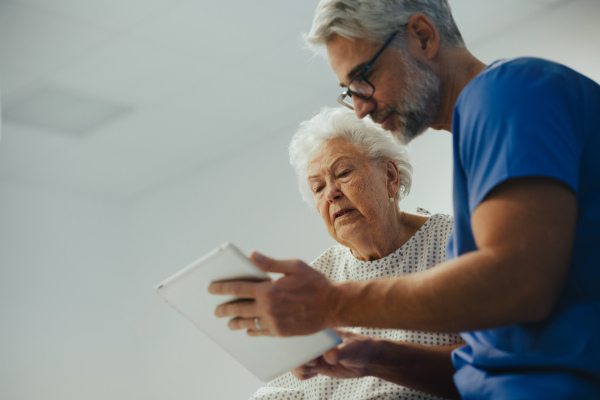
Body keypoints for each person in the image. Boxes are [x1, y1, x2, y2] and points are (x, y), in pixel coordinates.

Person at [209, 1, 600, 398]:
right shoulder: (478, 129)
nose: (360, 106)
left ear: (423, 37)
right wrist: (374, 355)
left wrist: (333, 303)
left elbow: (518, 285)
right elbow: (479, 368)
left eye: (365, 76)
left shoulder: (509, 94)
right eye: (349, 90)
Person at [250, 106, 462, 400]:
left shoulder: (457, 243)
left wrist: (378, 357)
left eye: (343, 172)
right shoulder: (318, 277)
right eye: (318, 187)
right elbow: (287, 387)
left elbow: (499, 362)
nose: (331, 193)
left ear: (390, 176)